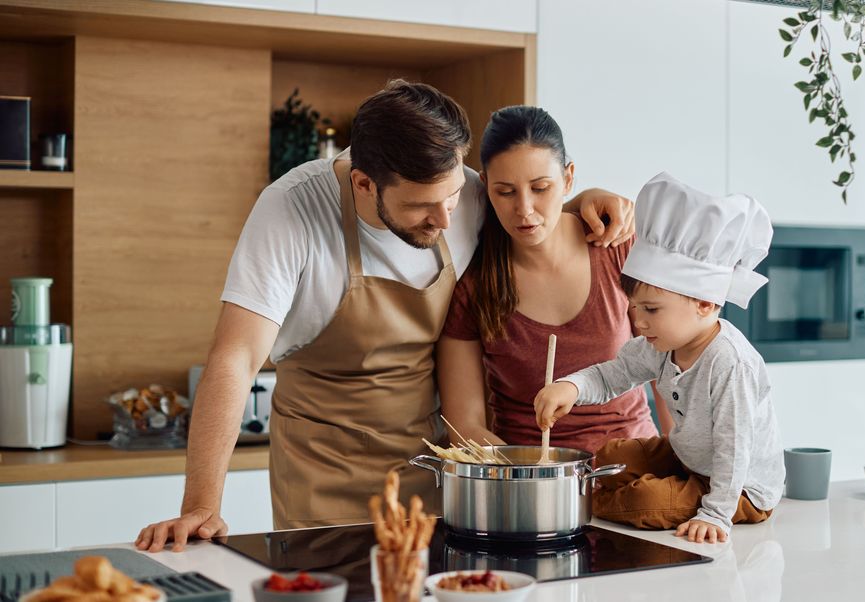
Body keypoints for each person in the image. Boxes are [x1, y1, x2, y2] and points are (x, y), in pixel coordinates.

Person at [135, 80, 635, 552]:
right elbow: (235, 358)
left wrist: (585, 201)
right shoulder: (292, 211)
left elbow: (531, 208)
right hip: (323, 478)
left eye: (454, 196)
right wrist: (201, 505)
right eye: (421, 207)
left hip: (433, 469)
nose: (444, 221)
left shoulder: (465, 193)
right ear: (363, 183)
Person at [534, 172, 785, 544]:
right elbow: (614, 374)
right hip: (691, 461)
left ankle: (597, 502)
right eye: (634, 308)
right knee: (608, 456)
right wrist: (571, 387)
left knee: (642, 501)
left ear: (704, 303)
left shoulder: (730, 363)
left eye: (651, 309)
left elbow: (736, 447)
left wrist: (716, 514)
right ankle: (617, 492)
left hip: (740, 488)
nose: (638, 321)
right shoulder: (662, 344)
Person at [437, 106, 667, 454]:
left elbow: (669, 364)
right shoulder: (474, 288)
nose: (525, 209)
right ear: (485, 187)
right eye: (506, 192)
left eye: (541, 187)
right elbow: (464, 425)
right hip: (532, 478)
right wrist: (528, 479)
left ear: (568, 179)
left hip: (635, 468)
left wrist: (684, 463)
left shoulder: (619, 250)